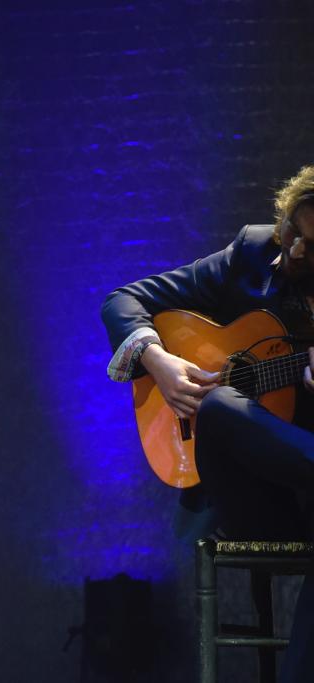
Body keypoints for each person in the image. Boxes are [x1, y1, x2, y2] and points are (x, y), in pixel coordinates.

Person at [101, 165, 314, 681]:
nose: (295, 251)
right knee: (217, 406)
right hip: (256, 496)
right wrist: (159, 360)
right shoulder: (252, 253)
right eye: (294, 232)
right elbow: (123, 301)